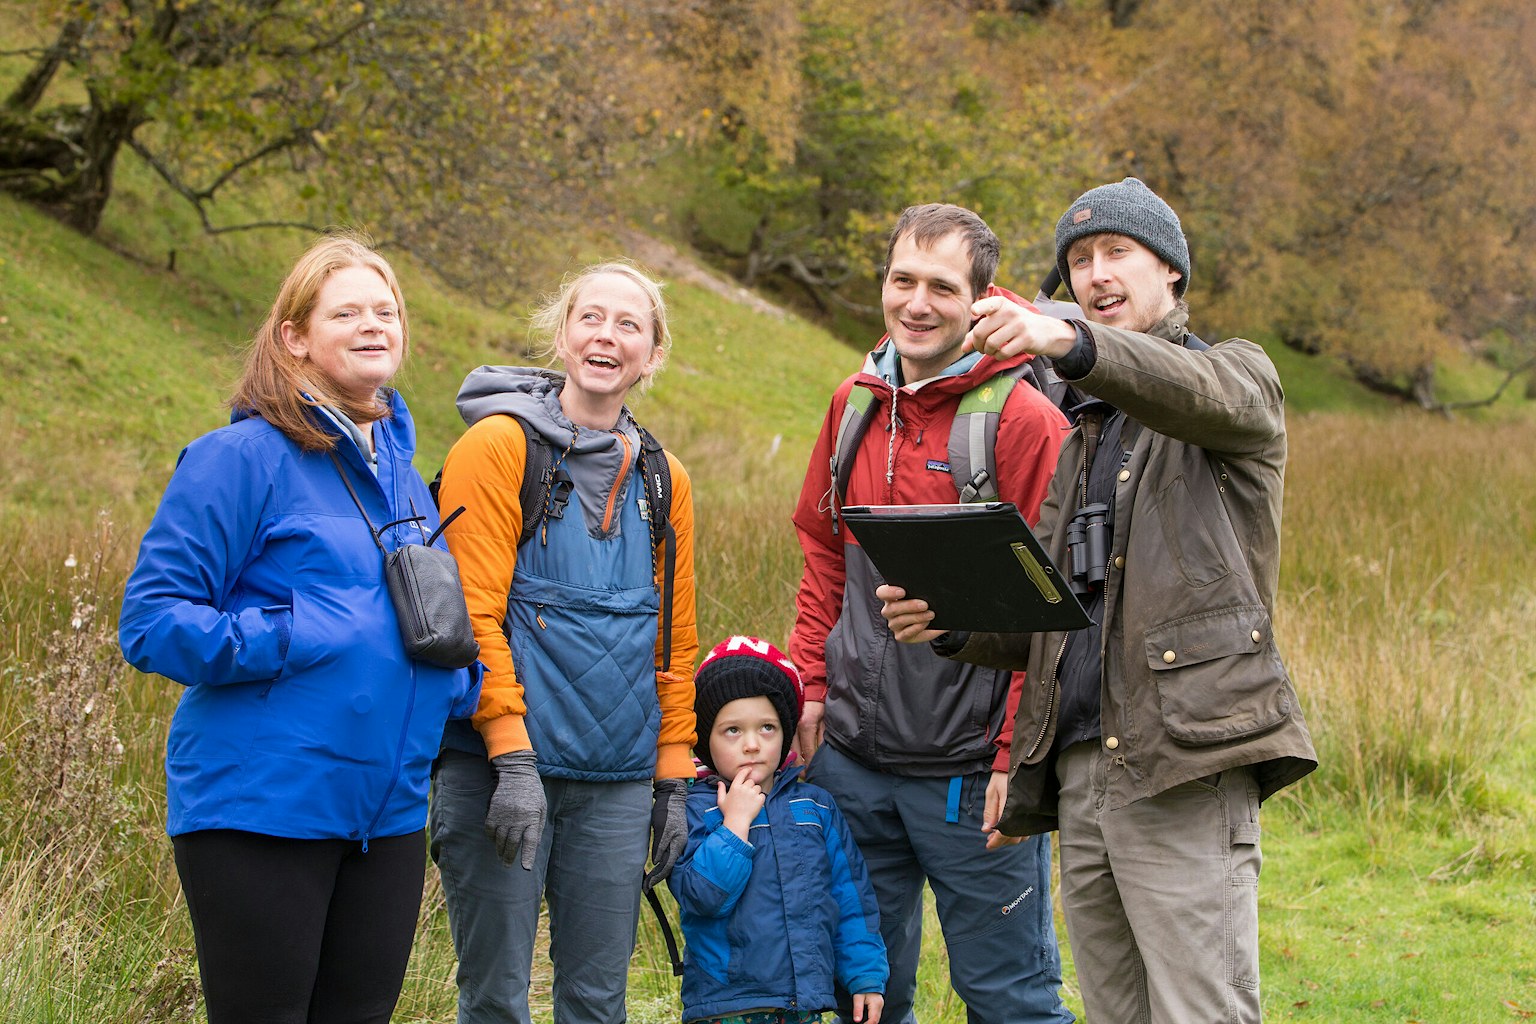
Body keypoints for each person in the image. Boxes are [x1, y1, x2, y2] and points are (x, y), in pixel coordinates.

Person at [880, 177, 1319, 1023]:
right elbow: (1057, 618)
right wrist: (957, 623)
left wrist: (1067, 341)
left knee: (1200, 1010)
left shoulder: (1237, 380)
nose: (1095, 273)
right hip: (1081, 772)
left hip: (1182, 760)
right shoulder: (1085, 432)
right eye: (1079, 262)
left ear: (1173, 275)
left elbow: (1202, 395)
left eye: (1117, 252)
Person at [118, 233, 481, 1024]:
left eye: (386, 310)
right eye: (346, 310)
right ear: (294, 337)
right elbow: (151, 621)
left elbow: (422, 618)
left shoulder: (406, 479)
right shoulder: (239, 459)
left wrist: (456, 680)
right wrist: (296, 634)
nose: (373, 323)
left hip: (386, 812)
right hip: (264, 804)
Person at [790, 203, 1074, 1024]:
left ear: (980, 301)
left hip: (968, 772)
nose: (917, 303)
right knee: (862, 994)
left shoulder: (1025, 422)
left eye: (942, 287)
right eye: (902, 280)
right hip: (849, 760)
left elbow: (1054, 612)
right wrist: (810, 683)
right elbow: (822, 550)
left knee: (1008, 999)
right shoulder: (853, 403)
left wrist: (1016, 758)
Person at [428, 261, 698, 1024]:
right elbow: (472, 617)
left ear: (651, 355)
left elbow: (674, 638)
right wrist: (512, 761)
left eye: (628, 325)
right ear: (561, 333)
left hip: (615, 781)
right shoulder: (498, 447)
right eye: (591, 318)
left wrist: (673, 778)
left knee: (595, 1001)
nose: (606, 337)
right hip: (499, 772)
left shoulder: (664, 480)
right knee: (495, 1000)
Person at [670, 636, 888, 1024]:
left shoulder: (816, 808)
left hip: (802, 1005)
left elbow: (851, 899)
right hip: (727, 1006)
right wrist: (735, 823)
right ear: (705, 740)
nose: (752, 744)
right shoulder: (694, 809)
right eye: (732, 730)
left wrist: (865, 975)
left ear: (786, 733)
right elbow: (701, 896)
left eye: (767, 727)